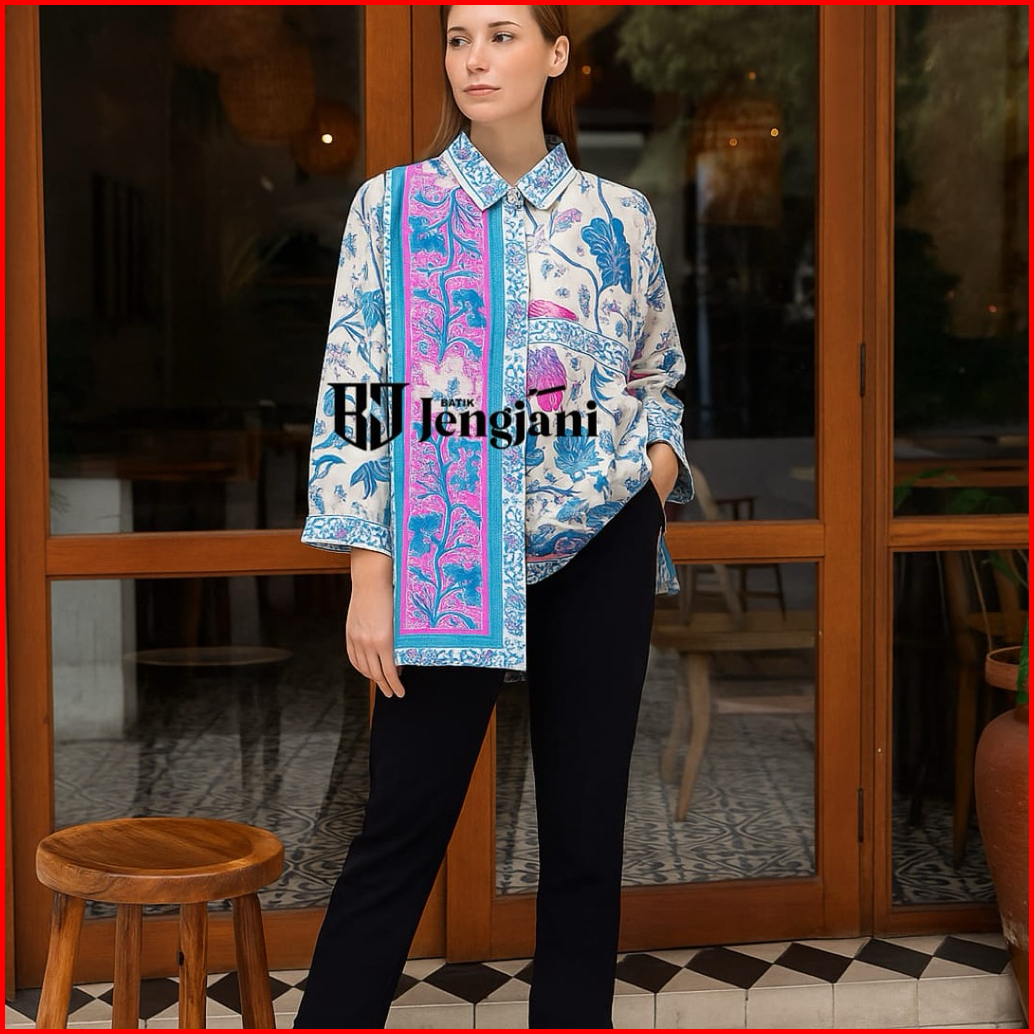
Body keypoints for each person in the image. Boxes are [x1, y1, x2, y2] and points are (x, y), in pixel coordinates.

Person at [294, 6, 694, 1028]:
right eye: (458, 38)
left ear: (555, 56)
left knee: (585, 834)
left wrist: (650, 472)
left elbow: (656, 372)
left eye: (501, 35)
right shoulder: (394, 207)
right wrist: (369, 572)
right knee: (401, 823)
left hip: (599, 544)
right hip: (447, 547)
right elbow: (357, 391)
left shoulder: (618, 215)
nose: (473, 58)